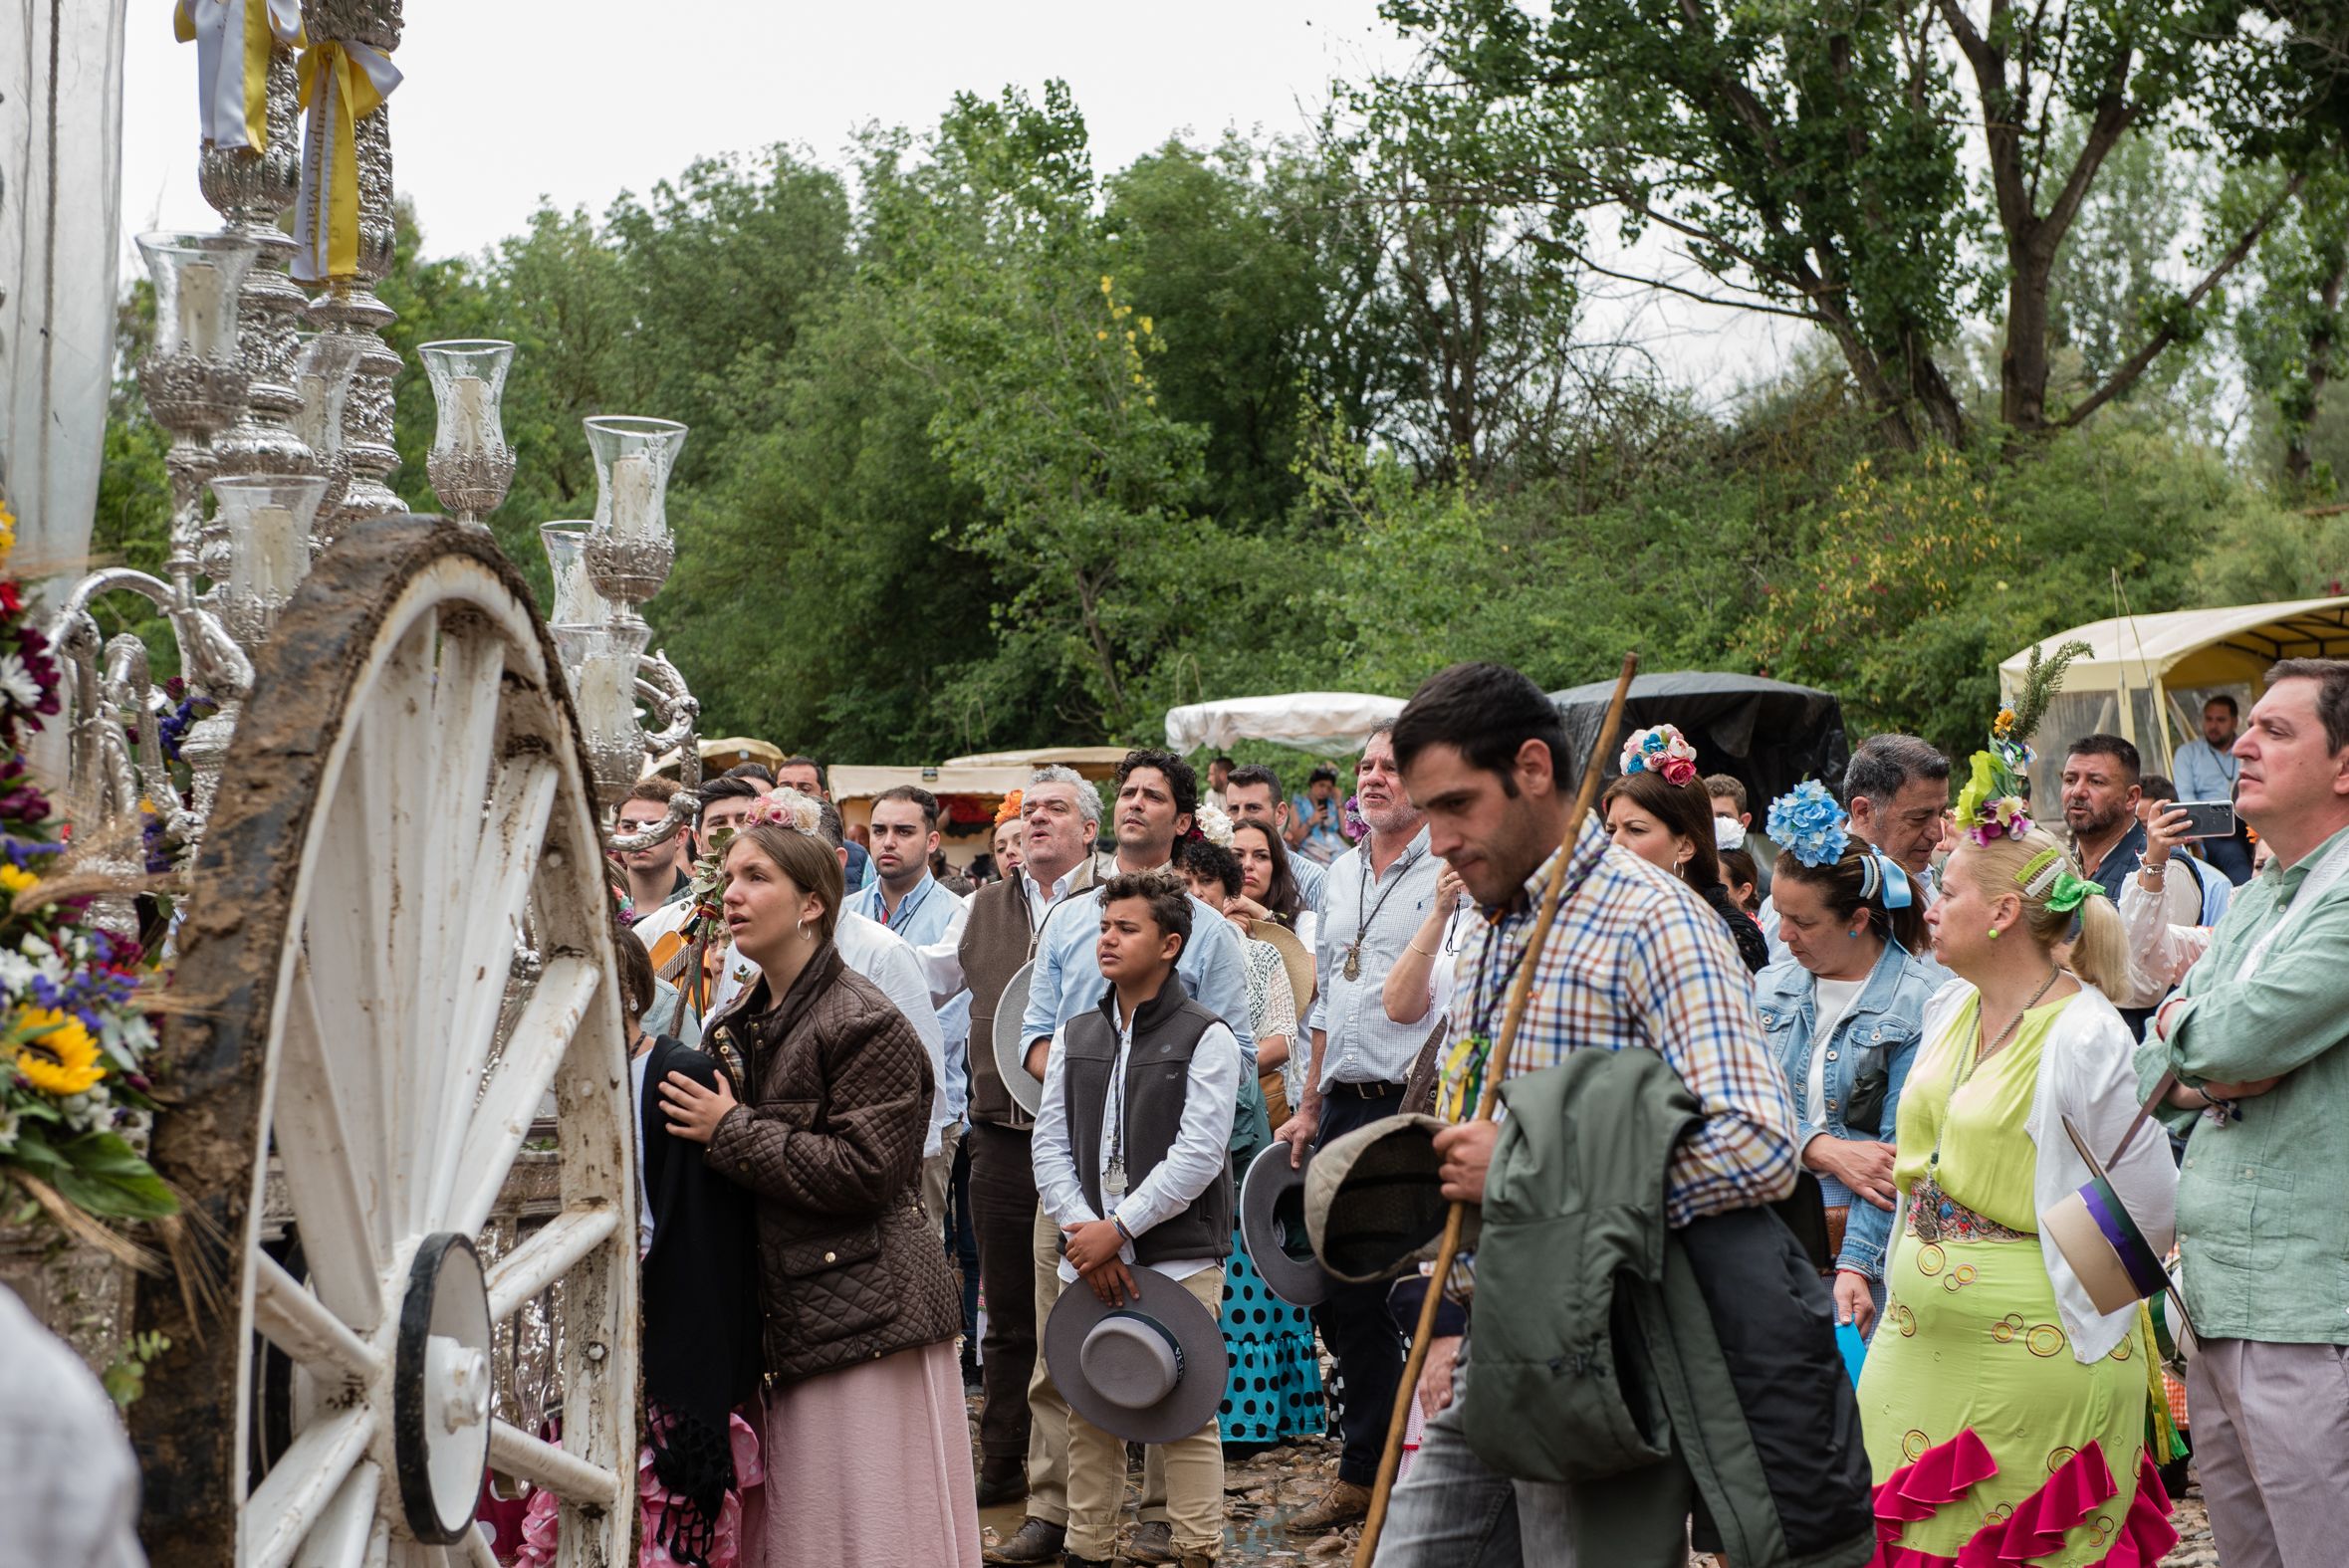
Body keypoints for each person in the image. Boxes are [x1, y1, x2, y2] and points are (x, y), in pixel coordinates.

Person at [1382, 663, 1804, 1564]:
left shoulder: (1653, 920)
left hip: (1600, 1356)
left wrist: (1537, 1172)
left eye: (1456, 805)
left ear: (1533, 767)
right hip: (1491, 1338)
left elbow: (1760, 1145)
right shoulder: (1496, 918)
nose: (1438, 841)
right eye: (1427, 814)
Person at [1857, 806, 2178, 1565]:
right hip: (1912, 1340)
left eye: (1948, 890)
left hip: (2032, 1351)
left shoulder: (2084, 1029)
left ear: (2003, 911)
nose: (1928, 908)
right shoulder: (1948, 1005)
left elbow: (2148, 1207)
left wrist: (2079, 1317)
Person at [658, 820, 980, 1567]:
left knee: (872, 1529)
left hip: (867, 1313)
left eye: (756, 877)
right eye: (729, 876)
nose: (731, 894)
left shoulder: (863, 1020)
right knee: (813, 1527)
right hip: (800, 1310)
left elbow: (868, 1171)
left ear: (812, 903)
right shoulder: (744, 1023)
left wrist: (730, 1128)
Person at [1006, 752, 1254, 1566]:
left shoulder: (1204, 1035)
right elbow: (1050, 1134)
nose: (1105, 941)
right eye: (1102, 928)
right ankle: (1085, 1543)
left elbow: (1197, 1151)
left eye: (1124, 930)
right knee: (1087, 1398)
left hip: (1174, 1246)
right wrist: (1082, 1223)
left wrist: (1123, 1226)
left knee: (1183, 1404)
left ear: (1171, 944)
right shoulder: (1079, 1034)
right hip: (1090, 1236)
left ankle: (1192, 1545)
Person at [2139, 658, 2349, 1568]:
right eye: (2247, 726)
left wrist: (2197, 1043)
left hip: (2307, 1307)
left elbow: (2235, 1038)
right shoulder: (2267, 893)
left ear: (2344, 765)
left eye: (2276, 730)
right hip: (2221, 1300)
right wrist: (2200, 1048)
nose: (2243, 746)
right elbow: (2161, 1061)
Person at [520, 920, 762, 1567]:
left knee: (664, 1506)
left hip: (668, 1319)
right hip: (572, 1314)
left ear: (628, 992)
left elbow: (715, 1222)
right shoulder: (544, 1078)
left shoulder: (679, 1071)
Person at [910, 767, 1107, 1527]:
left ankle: (1092, 1478)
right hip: (1001, 1132)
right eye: (1029, 811)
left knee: (1093, 1302)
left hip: (1095, 1140)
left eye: (1056, 809)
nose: (1036, 821)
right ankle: (1003, 1463)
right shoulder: (983, 906)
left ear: (1090, 830)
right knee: (1007, 1312)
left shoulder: (1115, 904)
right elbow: (925, 981)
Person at [1269, 723, 1452, 1535]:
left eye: (1391, 767)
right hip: (1340, 1100)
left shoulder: (1448, 868)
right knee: (1340, 1296)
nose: (1374, 779)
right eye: (1366, 766)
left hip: (1409, 1103)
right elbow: (1323, 1005)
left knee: (1395, 1291)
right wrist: (1307, 1103)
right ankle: (1362, 1467)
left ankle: (1394, 1478)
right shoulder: (1338, 872)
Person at [1750, 785, 1934, 1331]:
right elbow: (1732, 1112)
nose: (1782, 935)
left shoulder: (1922, 1000)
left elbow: (1897, 1159)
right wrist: (1823, 1148)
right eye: (1779, 913)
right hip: (1768, 1245)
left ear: (1857, 919)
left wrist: (1857, 1263)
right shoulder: (1768, 988)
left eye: (1801, 923)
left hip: (1865, 1258)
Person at [852, 785, 974, 1228]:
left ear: (932, 841)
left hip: (927, 1110)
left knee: (920, 1240)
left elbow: (943, 1021)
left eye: (904, 831)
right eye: (879, 830)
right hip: (851, 1105)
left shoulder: (958, 916)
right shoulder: (842, 915)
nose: (888, 842)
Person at [2061, 735, 2199, 1036]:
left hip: (2131, 1053)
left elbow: (2148, 983)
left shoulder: (2168, 868)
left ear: (2131, 798)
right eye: (2070, 779)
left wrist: (2053, 958)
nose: (2077, 792)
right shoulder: (2061, 867)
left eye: (2095, 782)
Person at [1602, 728, 1768, 972]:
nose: (1616, 843)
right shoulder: (1605, 918)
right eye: (1611, 830)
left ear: (1686, 846)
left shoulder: (1728, 934)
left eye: (1635, 829)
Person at [1844, 734, 1954, 886]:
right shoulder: (1829, 896)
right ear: (1863, 811)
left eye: (1941, 813)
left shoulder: (1921, 877)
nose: (1938, 836)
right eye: (1918, 818)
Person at [2171, 693, 2254, 884]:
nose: (2213, 726)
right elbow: (2185, 799)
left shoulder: (2249, 748)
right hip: (2214, 827)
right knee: (2234, 858)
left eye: (2220, 720)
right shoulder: (2188, 753)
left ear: (2234, 721)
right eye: (2209, 719)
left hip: (2252, 818)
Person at [1224, 764, 1326, 909]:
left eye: (1253, 808)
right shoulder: (1214, 873)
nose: (1241, 818)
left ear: (1280, 813)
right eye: (1233, 809)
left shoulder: (1312, 881)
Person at [778, 753, 873, 891]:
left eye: (804, 789)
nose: (793, 795)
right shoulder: (759, 850)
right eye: (785, 788)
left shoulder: (858, 857)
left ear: (825, 797)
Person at [1228, 817, 1315, 951]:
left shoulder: (1305, 923)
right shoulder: (1208, 920)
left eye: (1261, 856)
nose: (1248, 865)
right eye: (1237, 855)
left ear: (1276, 868)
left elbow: (1306, 971)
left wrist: (1264, 916)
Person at [615, 778, 695, 915]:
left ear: (680, 836)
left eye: (654, 827)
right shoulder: (597, 903)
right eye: (628, 827)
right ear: (619, 832)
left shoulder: (702, 906)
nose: (639, 836)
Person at [1706, 772, 1776, 896]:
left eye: (1723, 816)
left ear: (1743, 822)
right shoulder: (1680, 872)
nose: (1713, 823)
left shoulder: (1766, 886)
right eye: (1706, 815)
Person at [1289, 763, 1348, 865]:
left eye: (1329, 788)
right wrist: (1311, 821)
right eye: (1321, 785)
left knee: (1348, 863)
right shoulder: (1298, 804)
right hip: (1311, 849)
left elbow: (1346, 833)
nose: (1324, 790)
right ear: (1312, 783)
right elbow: (1294, 839)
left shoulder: (1333, 804)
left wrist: (1339, 803)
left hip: (1335, 846)